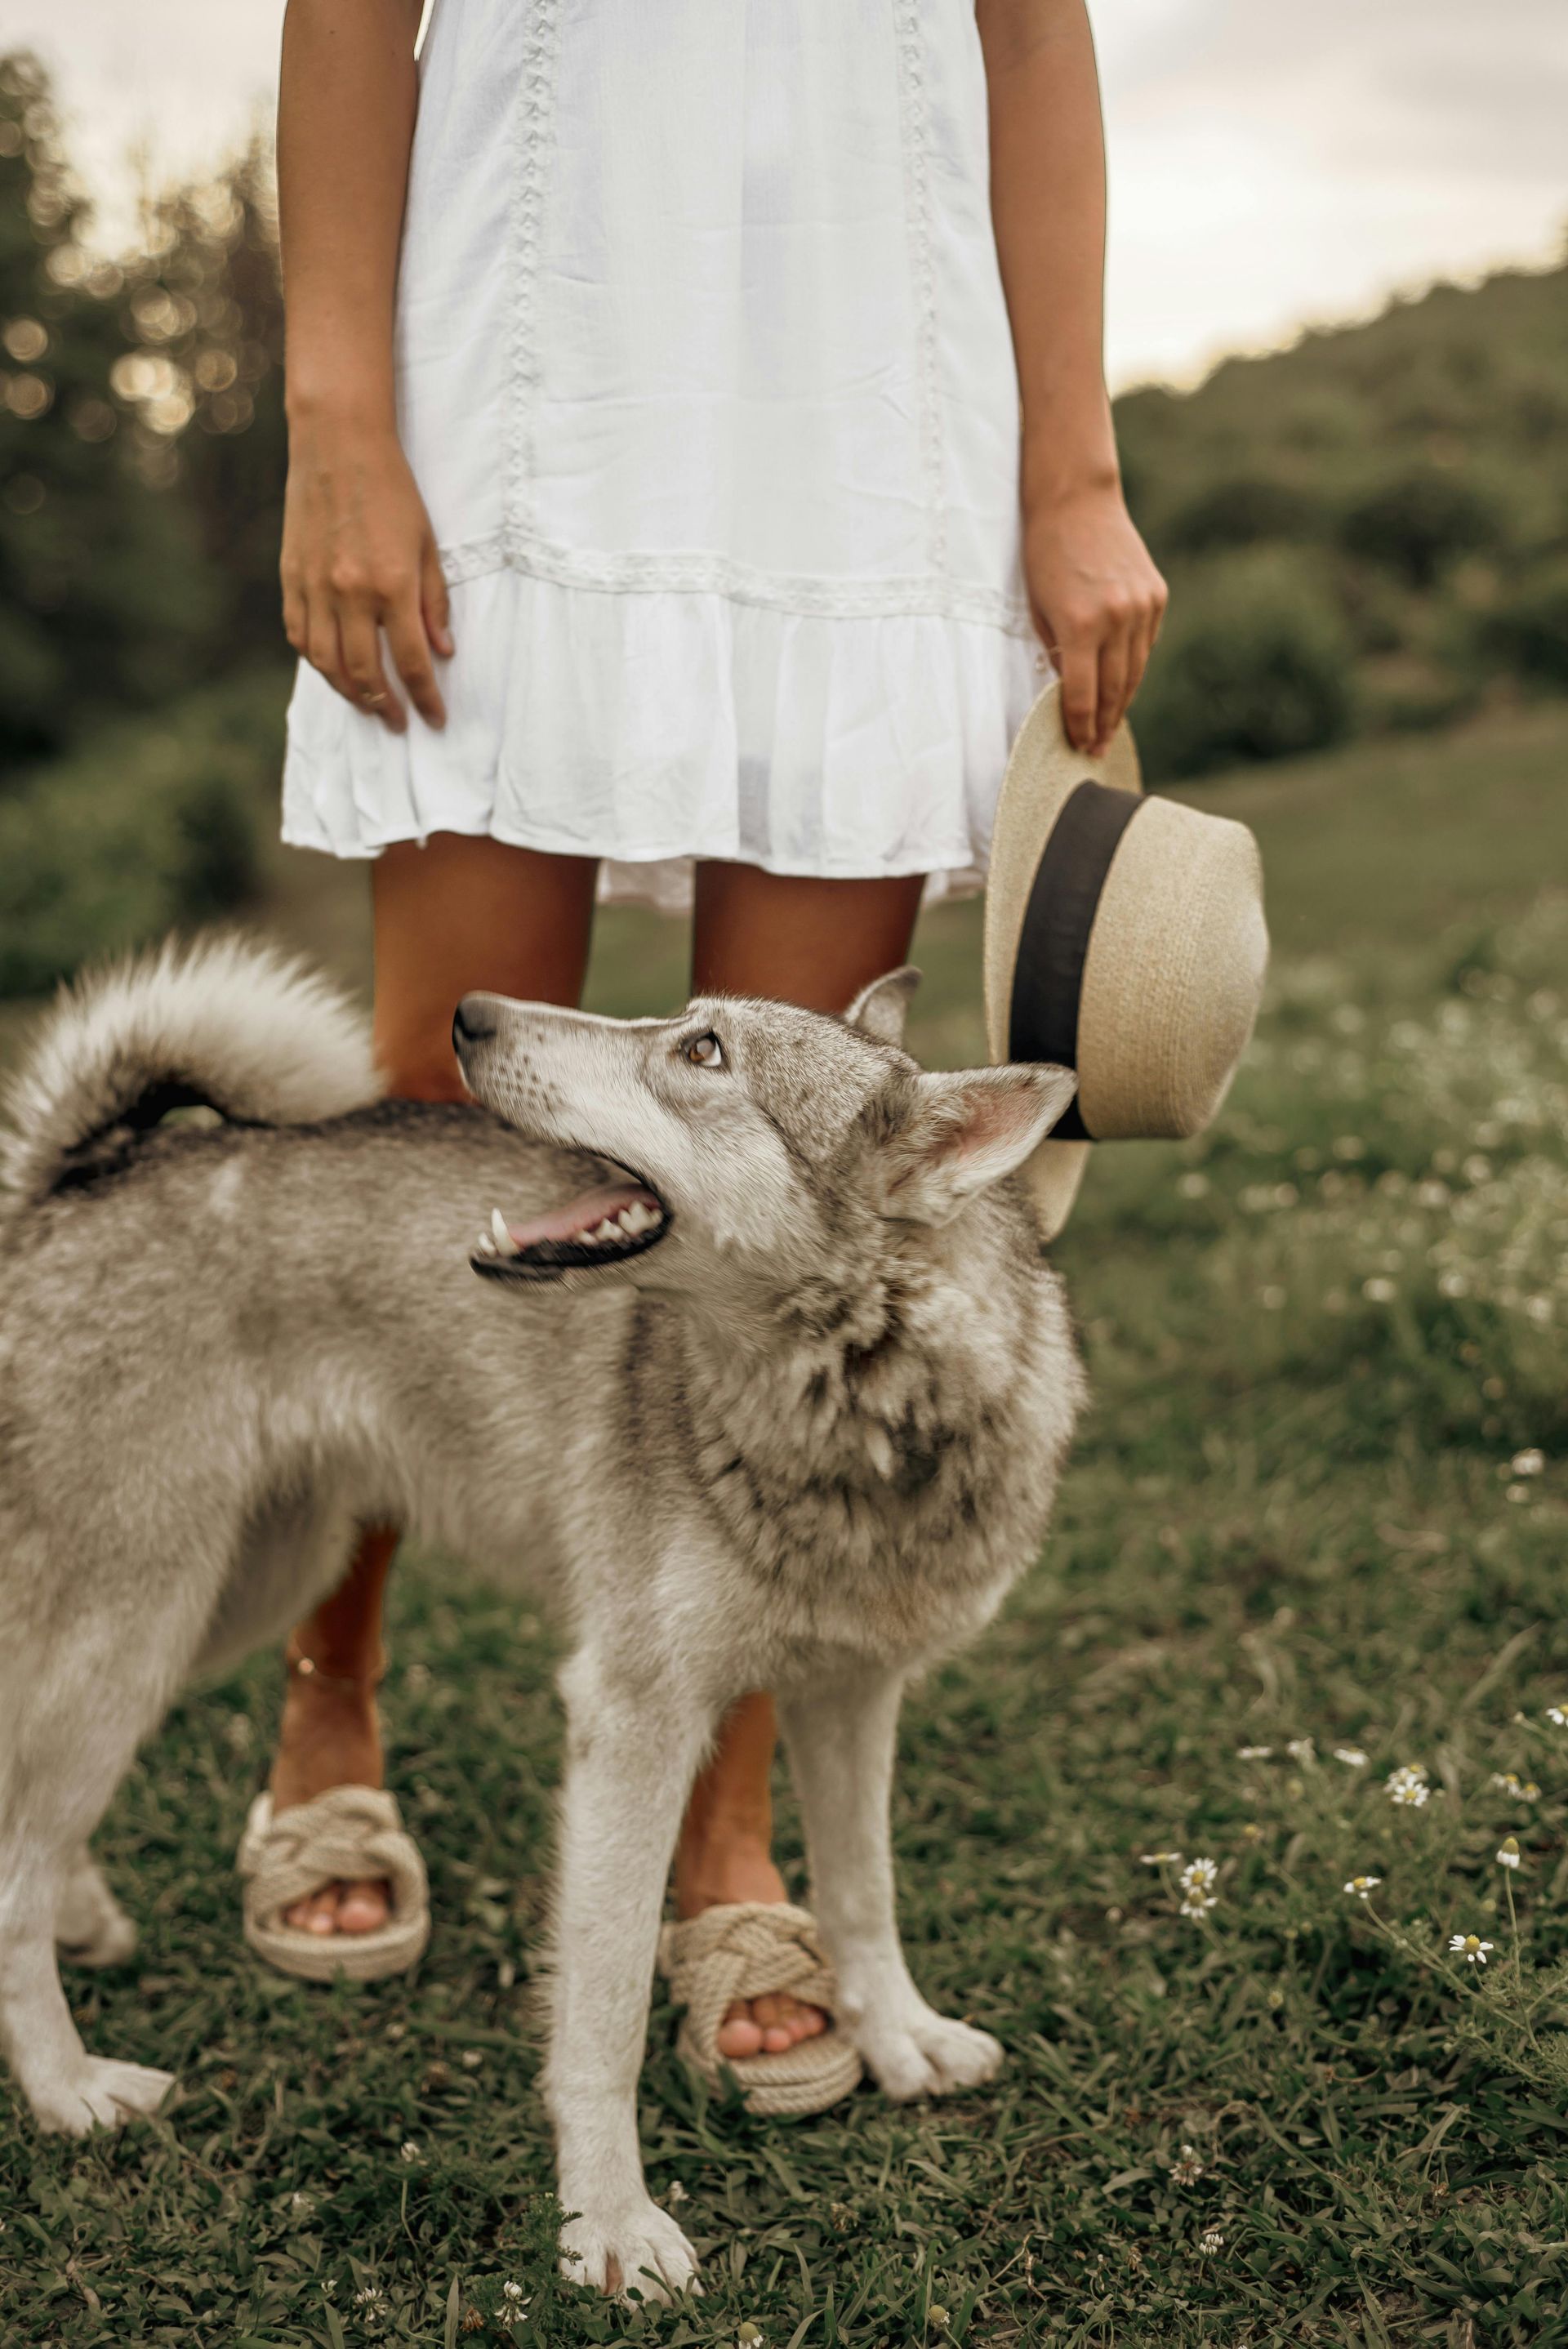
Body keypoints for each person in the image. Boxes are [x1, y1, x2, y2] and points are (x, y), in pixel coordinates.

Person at [265, 0, 1165, 2089]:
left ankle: (724, 1832)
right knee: (431, 1105)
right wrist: (336, 417)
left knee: (762, 1166)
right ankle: (326, 1691)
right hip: (524, 358)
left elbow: (1034, 36)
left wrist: (1075, 474)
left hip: (862, 412)